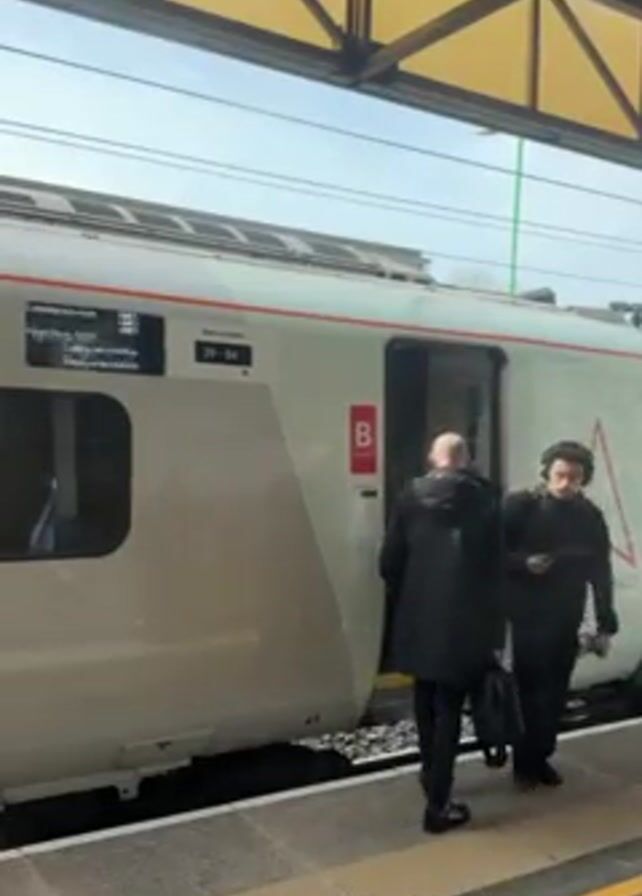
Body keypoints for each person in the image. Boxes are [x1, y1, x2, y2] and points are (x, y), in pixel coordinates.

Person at [379, 433, 501, 833]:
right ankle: (438, 805)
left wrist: (411, 595)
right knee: (450, 711)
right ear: (466, 459)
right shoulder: (484, 499)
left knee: (424, 703)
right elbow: (496, 566)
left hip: (418, 618)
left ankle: (430, 775)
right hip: (465, 623)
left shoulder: (409, 496)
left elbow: (388, 561)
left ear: (433, 458)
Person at [504, 440, 618, 789]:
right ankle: (524, 762)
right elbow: (492, 554)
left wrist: (605, 620)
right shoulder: (521, 507)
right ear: (546, 473)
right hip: (526, 615)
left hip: (566, 614)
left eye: (574, 477)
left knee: (555, 691)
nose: (566, 484)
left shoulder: (589, 516)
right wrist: (524, 563)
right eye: (560, 475)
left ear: (585, 479)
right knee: (528, 690)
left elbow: (601, 570)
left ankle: (542, 755)